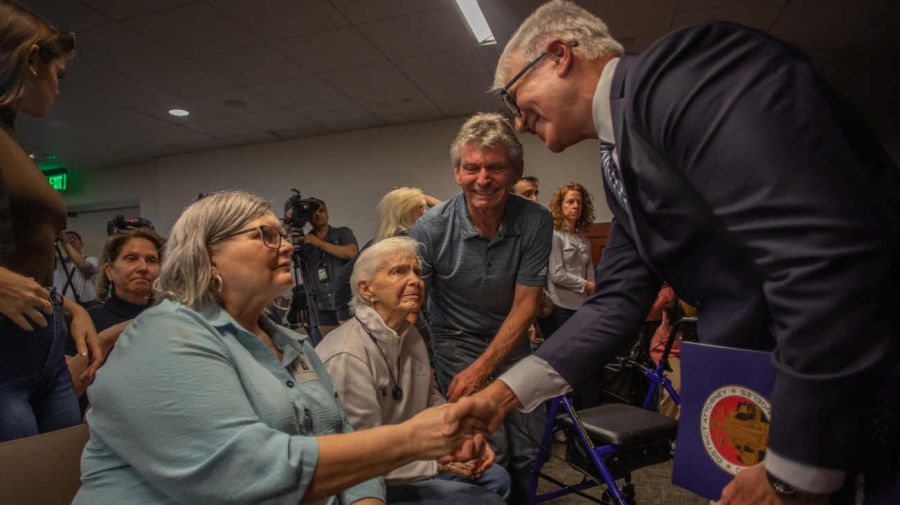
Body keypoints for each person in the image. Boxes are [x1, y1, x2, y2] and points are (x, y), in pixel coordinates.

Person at [447, 2, 900, 505]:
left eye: (515, 96)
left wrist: (796, 471)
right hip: (772, 386)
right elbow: (617, 300)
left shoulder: (682, 75)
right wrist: (501, 395)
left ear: (558, 55)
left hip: (853, 393)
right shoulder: (619, 162)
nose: (519, 120)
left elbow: (818, 256)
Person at [74, 191, 486, 505]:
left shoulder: (291, 341)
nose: (287, 246)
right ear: (207, 257)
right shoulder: (165, 338)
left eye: (283, 235)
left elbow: (341, 432)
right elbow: (245, 473)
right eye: (265, 236)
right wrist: (411, 440)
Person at [410, 112, 553, 503]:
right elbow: (412, 305)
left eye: (495, 167)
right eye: (471, 168)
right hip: (455, 341)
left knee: (528, 449)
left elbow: (526, 305)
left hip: (511, 340)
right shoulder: (431, 228)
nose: (483, 179)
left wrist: (484, 368)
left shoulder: (537, 220)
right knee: (489, 449)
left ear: (516, 170)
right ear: (457, 172)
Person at [317, 236, 510, 505]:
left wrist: (459, 442)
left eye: (417, 272)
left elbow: (430, 400)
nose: (415, 281)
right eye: (398, 271)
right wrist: (438, 464)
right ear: (366, 290)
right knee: (484, 501)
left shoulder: (410, 334)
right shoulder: (348, 354)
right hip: (362, 480)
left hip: (408, 458)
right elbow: (359, 456)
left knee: (498, 477)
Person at [0, 0, 104, 442]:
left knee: (58, 481)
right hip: (5, 355)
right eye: (58, 75)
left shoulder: (9, 138)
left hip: (42, 347)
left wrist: (68, 306)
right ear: (31, 60)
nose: (59, 89)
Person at [334, 187, 431, 322]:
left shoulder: (380, 242)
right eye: (420, 207)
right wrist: (344, 317)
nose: (425, 212)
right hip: (404, 319)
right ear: (404, 211)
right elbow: (344, 279)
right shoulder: (399, 244)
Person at [539, 182, 595, 337]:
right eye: (570, 202)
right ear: (560, 205)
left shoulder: (584, 240)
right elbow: (557, 274)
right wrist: (587, 285)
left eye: (579, 202)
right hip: (560, 306)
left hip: (582, 305)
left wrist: (593, 291)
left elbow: (589, 271)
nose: (576, 206)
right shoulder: (554, 235)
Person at [88, 227, 164, 333]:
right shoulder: (89, 321)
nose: (143, 268)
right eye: (131, 259)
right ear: (109, 271)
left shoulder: (168, 317)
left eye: (151, 260)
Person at [300, 199, 358, 334]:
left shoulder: (342, 233)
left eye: (322, 211)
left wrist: (319, 243)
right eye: (313, 212)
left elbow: (352, 253)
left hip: (345, 302)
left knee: (352, 339)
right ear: (307, 217)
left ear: (327, 213)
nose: (318, 215)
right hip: (320, 306)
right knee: (327, 344)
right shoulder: (304, 241)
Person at [53, 230, 99, 305]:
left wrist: (67, 243)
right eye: (67, 239)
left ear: (81, 244)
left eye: (73, 238)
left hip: (87, 307)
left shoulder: (91, 260)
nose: (70, 241)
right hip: (66, 308)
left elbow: (85, 268)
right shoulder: (60, 264)